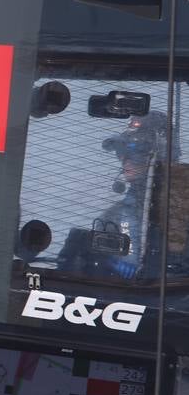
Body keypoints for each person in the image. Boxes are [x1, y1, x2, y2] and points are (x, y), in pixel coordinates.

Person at [57, 110, 172, 281]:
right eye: (121, 153)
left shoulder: (178, 207)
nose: (125, 160)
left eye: (135, 153)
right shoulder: (115, 215)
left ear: (158, 155)